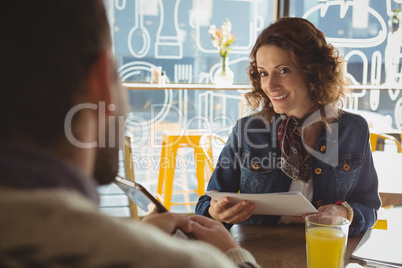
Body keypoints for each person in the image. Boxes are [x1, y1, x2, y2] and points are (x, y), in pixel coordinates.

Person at [0, 1, 260, 267]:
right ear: (102, 81)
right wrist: (232, 255)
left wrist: (142, 237)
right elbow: (208, 204)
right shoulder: (186, 262)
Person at [196, 17, 381, 237]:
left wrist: (342, 212)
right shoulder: (247, 131)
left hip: (324, 251)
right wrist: (216, 213)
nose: (270, 85)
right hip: (258, 253)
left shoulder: (353, 129)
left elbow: (368, 206)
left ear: (313, 71)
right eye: (264, 73)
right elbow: (206, 204)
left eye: (283, 70)